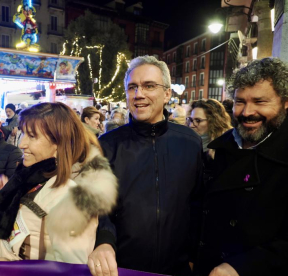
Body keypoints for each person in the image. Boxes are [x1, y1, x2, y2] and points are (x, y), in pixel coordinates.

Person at [89, 55, 203, 276]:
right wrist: (104, 241)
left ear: (167, 93)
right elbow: (98, 206)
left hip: (178, 269)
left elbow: (197, 202)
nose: (138, 95)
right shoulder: (107, 144)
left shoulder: (190, 141)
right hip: (122, 269)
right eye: (132, 87)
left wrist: (194, 256)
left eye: (149, 86)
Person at [0, 102, 118, 264]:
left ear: (58, 143)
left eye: (32, 136)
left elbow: (69, 270)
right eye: (24, 134)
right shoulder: (30, 180)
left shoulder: (70, 201)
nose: (22, 144)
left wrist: (11, 267)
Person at [195, 58, 288, 276]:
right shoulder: (219, 149)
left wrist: (243, 266)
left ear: (285, 102)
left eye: (260, 102)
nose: (247, 112)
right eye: (240, 101)